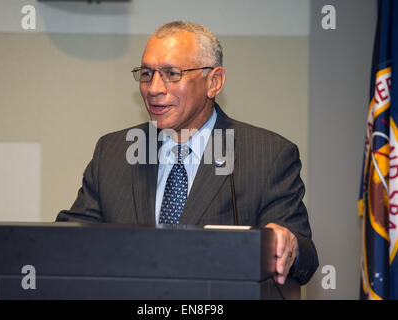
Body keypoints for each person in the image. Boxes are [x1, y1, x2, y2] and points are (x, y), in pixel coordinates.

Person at [56, 21, 318, 286]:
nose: (154, 88)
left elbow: (305, 259)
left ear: (213, 82)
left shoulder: (268, 155)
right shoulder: (114, 152)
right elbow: (70, 239)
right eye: (146, 74)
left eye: (171, 74)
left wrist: (290, 244)